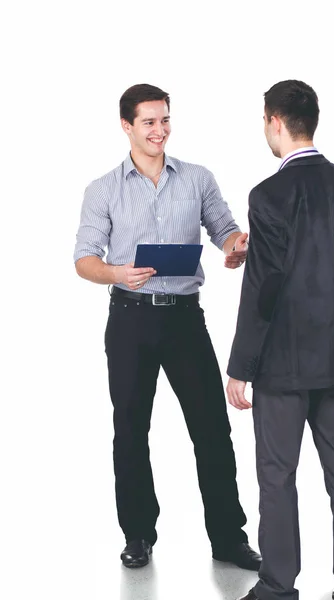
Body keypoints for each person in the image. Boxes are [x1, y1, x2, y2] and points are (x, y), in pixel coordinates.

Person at [73, 83, 261, 571]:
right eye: (149, 122)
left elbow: (225, 232)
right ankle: (138, 535)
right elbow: (84, 260)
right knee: (131, 430)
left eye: (165, 120)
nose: (160, 131)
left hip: (184, 319)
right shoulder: (102, 190)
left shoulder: (197, 179)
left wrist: (237, 246)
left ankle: (228, 538)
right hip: (130, 317)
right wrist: (118, 273)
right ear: (126, 127)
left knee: (212, 428)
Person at [226, 80, 334, 600]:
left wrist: (240, 364)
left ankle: (277, 587)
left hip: (283, 365)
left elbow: (263, 287)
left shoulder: (268, 194)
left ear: (274, 120)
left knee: (277, 475)